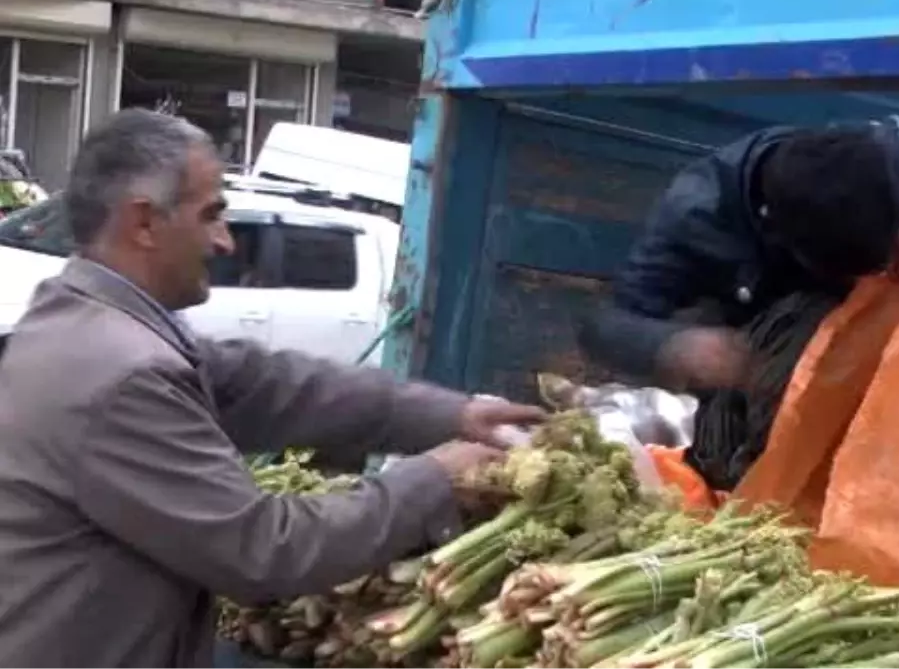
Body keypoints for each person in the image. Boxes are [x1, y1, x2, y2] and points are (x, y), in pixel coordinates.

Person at [0, 109, 546, 669]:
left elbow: (273, 386)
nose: (226, 241)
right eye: (211, 215)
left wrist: (456, 414)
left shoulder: (91, 321)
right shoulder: (120, 372)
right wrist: (436, 478)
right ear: (143, 223)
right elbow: (263, 550)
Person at [580, 115, 899, 491]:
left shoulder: (895, 150)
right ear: (776, 230)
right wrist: (674, 345)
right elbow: (606, 324)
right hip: (773, 400)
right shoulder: (700, 213)